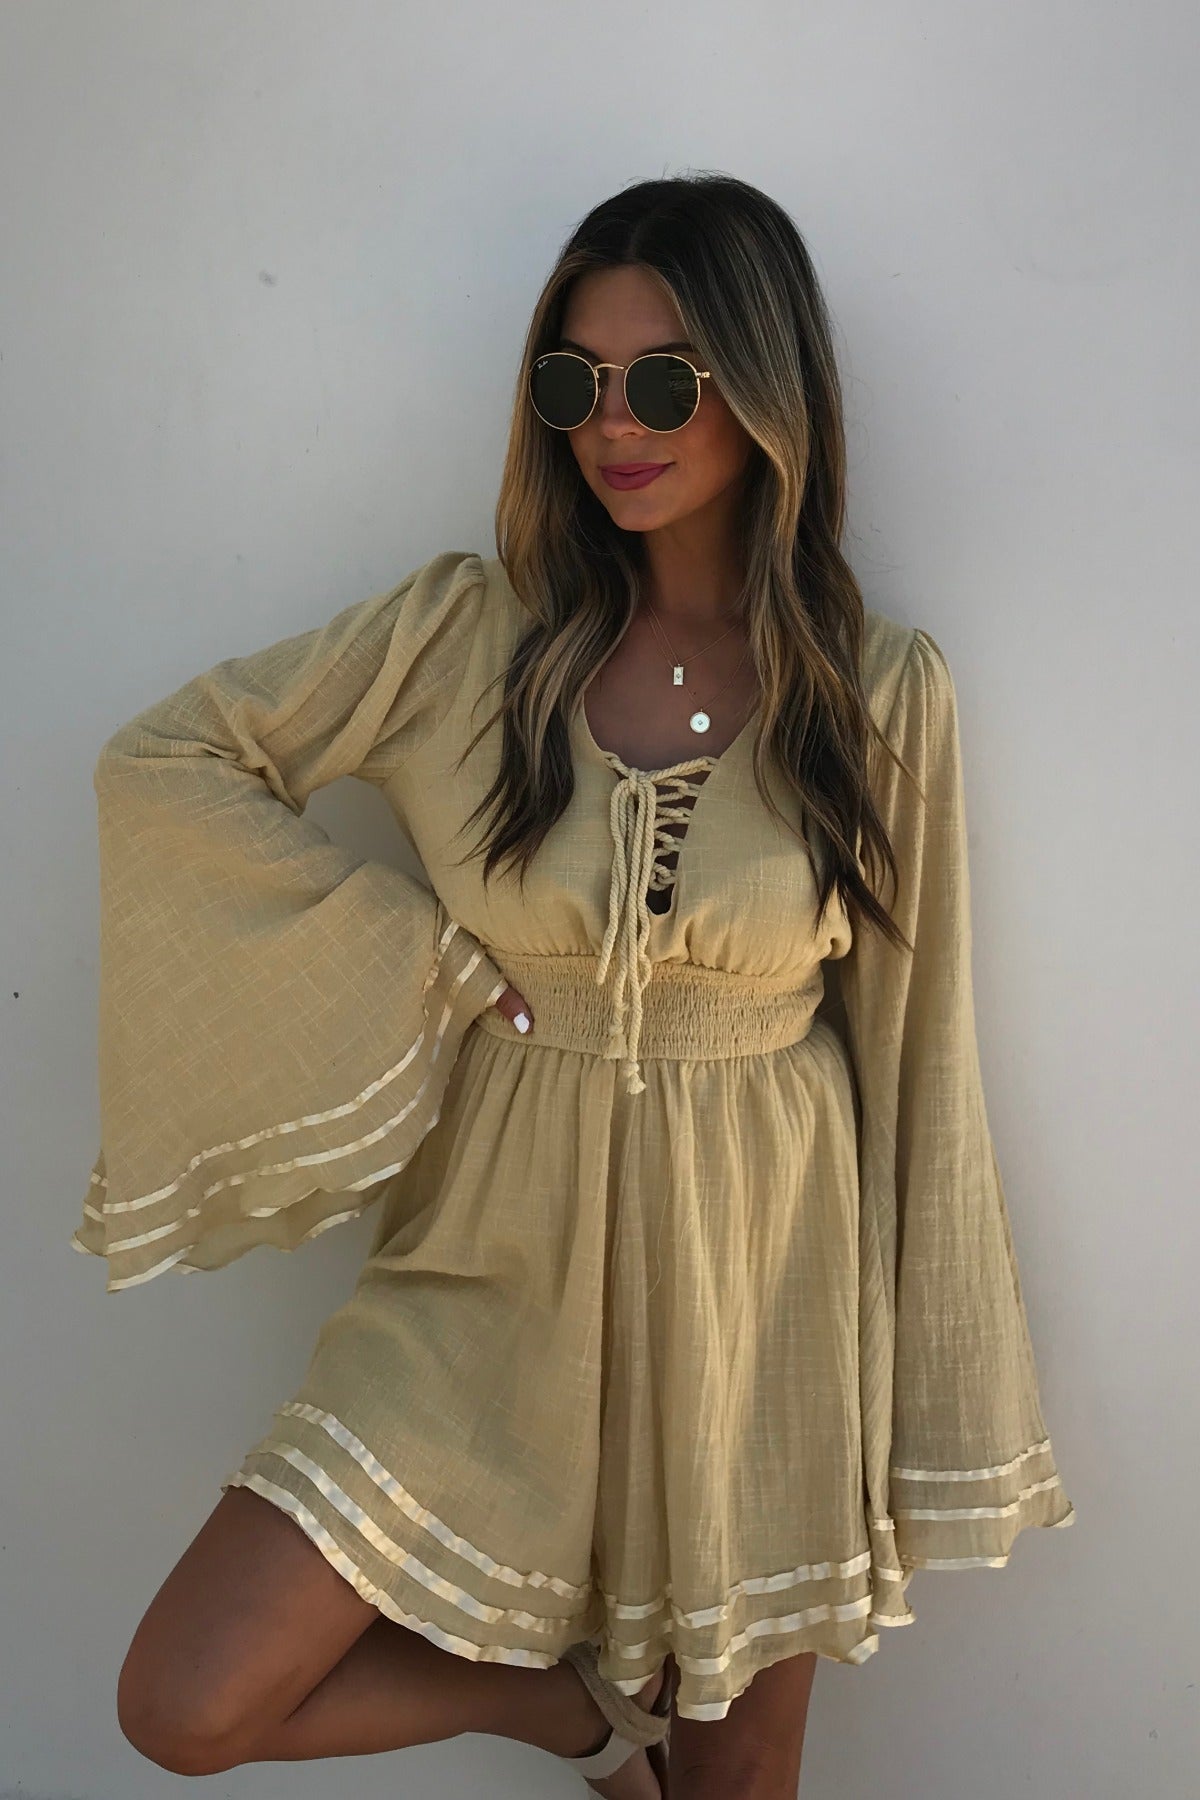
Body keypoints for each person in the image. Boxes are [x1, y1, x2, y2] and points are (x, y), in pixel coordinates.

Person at [73, 172, 1075, 1799]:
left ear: (767, 393)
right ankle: (565, 1713)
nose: (614, 422)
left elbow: (919, 1063)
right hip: (488, 1276)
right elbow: (171, 761)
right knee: (189, 1699)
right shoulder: (463, 639)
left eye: (665, 379)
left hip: (765, 1302)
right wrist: (417, 966)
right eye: (574, 380)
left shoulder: (877, 691)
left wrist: (922, 1398)